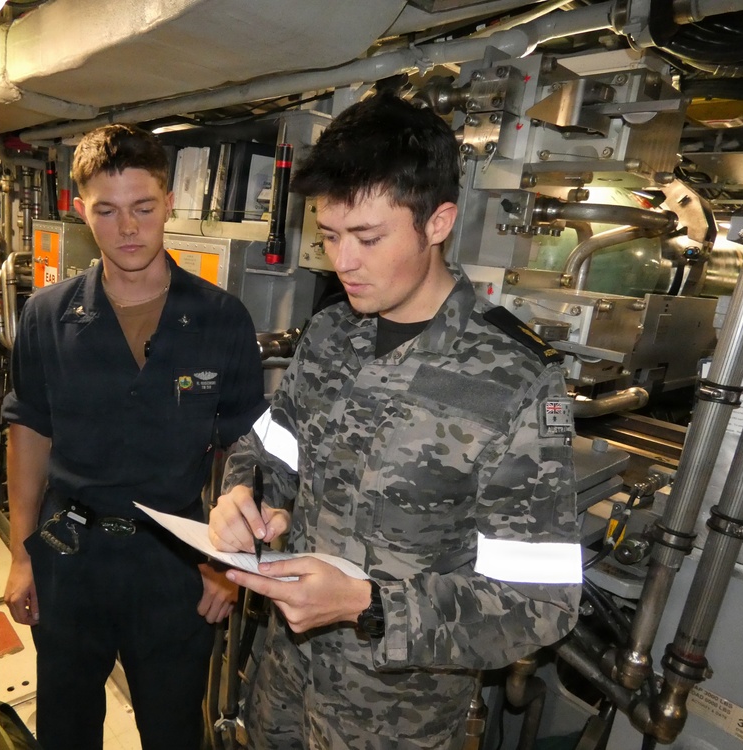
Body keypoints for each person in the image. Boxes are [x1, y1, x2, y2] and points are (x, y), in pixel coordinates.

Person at [208, 93, 582, 749]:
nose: (343, 261)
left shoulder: (517, 378)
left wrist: (368, 604)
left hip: (391, 719)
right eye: (329, 235)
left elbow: (538, 605)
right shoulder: (330, 334)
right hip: (282, 686)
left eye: (368, 238)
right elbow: (271, 450)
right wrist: (244, 495)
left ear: (437, 222)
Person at [2, 123, 266, 750]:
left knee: (173, 728)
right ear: (80, 210)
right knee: (65, 727)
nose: (128, 229)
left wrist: (226, 567)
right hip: (68, 556)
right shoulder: (48, 315)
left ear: (169, 202)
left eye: (143, 208)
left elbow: (244, 452)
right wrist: (20, 555)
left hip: (176, 560)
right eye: (108, 211)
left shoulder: (220, 318)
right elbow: (30, 433)